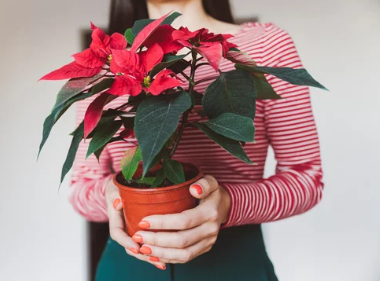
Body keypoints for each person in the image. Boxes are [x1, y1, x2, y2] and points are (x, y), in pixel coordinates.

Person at [70, 0, 324, 280]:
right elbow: (80, 188)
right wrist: (114, 195)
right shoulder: (108, 62)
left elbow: (306, 178)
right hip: (130, 265)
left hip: (233, 263)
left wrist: (228, 204)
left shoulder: (265, 45)